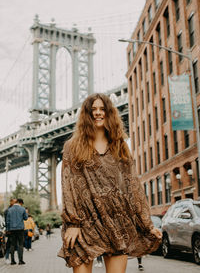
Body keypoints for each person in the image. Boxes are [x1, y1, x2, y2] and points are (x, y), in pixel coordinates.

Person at [58, 93, 162, 273]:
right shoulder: (72, 146)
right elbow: (68, 185)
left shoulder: (119, 145)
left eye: (102, 109)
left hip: (116, 221)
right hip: (85, 223)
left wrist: (148, 224)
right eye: (93, 110)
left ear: (109, 113)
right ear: (86, 115)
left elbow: (133, 186)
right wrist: (73, 223)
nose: (98, 113)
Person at [6, 198, 28, 265]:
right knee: (20, 245)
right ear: (19, 203)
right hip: (20, 229)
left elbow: (7, 221)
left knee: (12, 245)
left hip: (12, 229)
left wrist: (7, 229)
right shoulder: (22, 209)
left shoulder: (9, 210)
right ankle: (20, 261)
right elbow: (26, 218)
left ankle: (12, 261)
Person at [4, 198, 16, 264]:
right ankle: (7, 258)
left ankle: (12, 259)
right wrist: (8, 230)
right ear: (11, 202)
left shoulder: (15, 210)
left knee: (13, 245)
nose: (15, 203)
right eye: (14, 202)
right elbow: (6, 221)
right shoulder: (7, 211)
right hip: (10, 230)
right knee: (9, 244)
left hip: (15, 229)